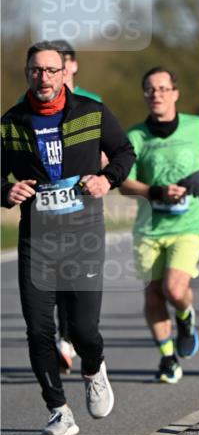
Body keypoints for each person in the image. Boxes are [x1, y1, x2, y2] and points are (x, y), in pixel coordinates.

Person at [1, 41, 135, 435]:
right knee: (39, 328)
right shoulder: (11, 123)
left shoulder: (91, 113)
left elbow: (125, 152)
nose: (44, 77)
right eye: (36, 70)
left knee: (81, 330)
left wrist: (106, 179)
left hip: (84, 237)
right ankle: (58, 409)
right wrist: (4, 193)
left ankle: (94, 369)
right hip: (36, 240)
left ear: (65, 73)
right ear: (28, 74)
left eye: (51, 70)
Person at [119, 68, 199, 383]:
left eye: (162, 88)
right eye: (149, 89)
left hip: (190, 222)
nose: (156, 94)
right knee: (153, 295)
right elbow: (123, 182)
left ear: (174, 92)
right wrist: (153, 191)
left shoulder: (197, 126)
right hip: (150, 227)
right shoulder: (134, 136)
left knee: (174, 288)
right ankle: (167, 357)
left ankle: (186, 318)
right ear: (145, 95)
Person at [49, 39, 103, 374]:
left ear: (73, 66)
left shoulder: (92, 103)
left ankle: (75, 338)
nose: (58, 72)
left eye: (63, 64)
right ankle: (63, 337)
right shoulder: (32, 106)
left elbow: (111, 149)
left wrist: (98, 169)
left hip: (82, 208)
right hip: (47, 212)